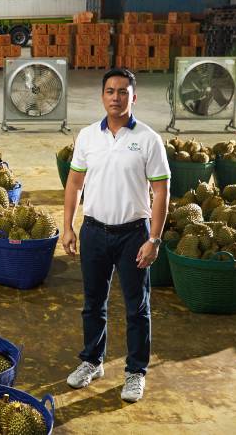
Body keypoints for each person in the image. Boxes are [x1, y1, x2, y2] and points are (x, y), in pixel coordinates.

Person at [61, 67, 170, 403]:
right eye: (110, 91)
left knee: (137, 307)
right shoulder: (87, 137)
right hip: (94, 231)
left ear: (134, 97)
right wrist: (68, 226)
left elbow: (162, 191)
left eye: (123, 92)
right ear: (102, 96)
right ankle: (92, 361)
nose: (116, 97)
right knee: (93, 303)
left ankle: (135, 372)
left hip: (132, 235)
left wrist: (154, 239)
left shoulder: (149, 139)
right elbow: (74, 184)